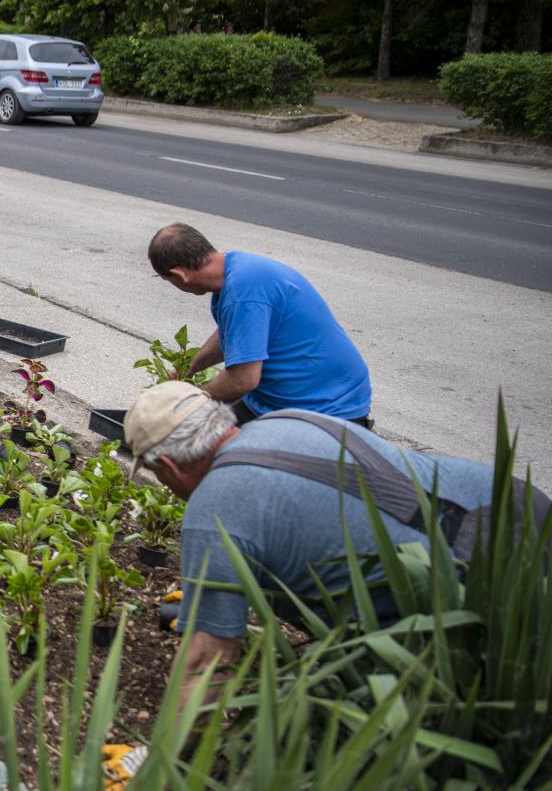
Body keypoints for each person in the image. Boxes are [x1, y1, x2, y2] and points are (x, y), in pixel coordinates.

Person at [100, 379, 549, 786]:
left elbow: (206, 666)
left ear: (168, 467)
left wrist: (159, 764)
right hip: (518, 512)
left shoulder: (214, 511)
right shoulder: (287, 420)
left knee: (509, 740)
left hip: (480, 590)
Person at [147, 223, 372, 425]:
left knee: (210, 453)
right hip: (278, 400)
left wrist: (187, 402)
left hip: (320, 409)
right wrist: (187, 369)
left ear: (180, 275)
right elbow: (237, 333)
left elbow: (241, 380)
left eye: (169, 280)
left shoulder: (244, 292)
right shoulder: (237, 269)